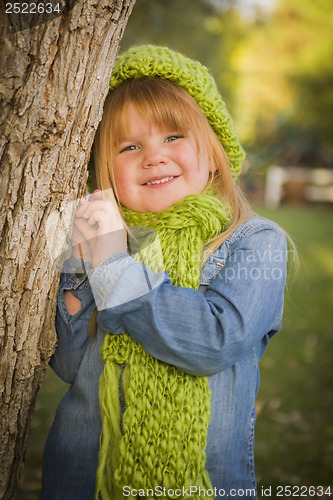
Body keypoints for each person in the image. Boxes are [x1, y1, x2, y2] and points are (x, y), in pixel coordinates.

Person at [41, 45, 288, 500]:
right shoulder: (107, 239)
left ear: (213, 153)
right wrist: (82, 265)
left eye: (173, 137)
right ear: (105, 169)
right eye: (130, 146)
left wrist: (115, 268)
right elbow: (71, 366)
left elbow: (213, 342)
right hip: (84, 479)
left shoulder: (254, 241)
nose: (153, 157)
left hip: (206, 485)